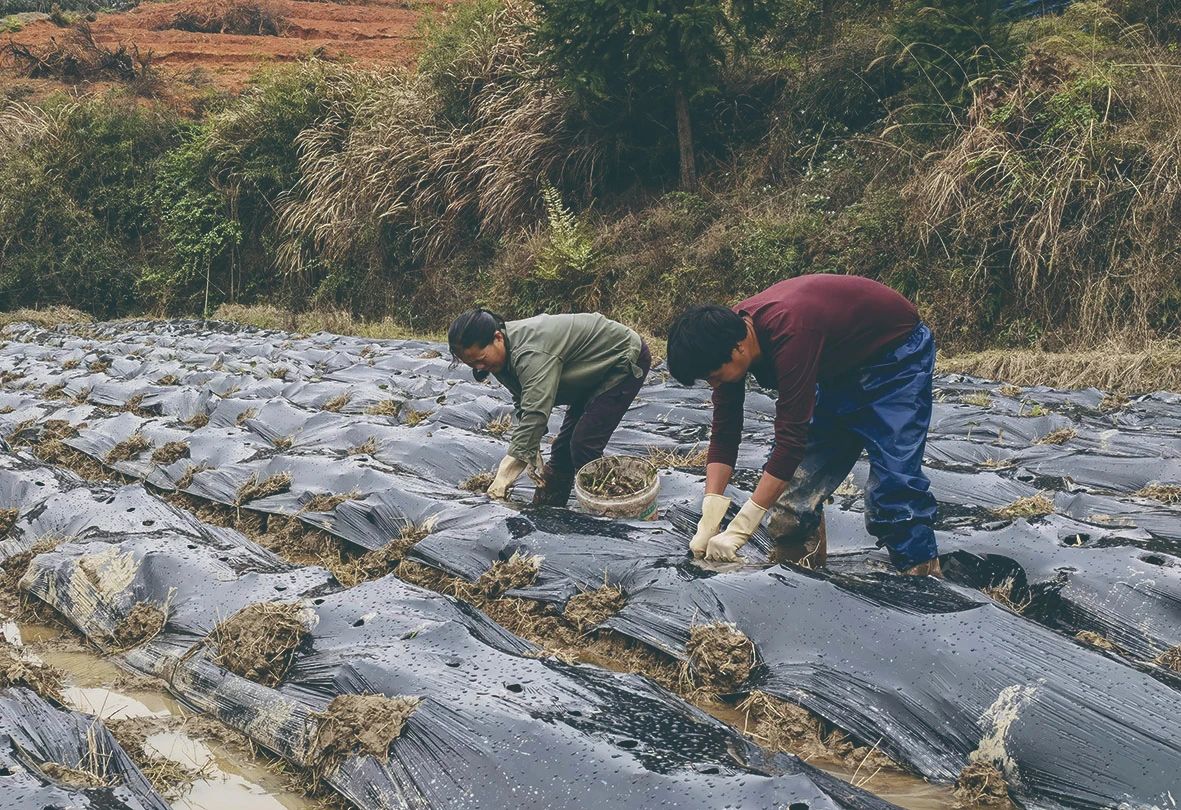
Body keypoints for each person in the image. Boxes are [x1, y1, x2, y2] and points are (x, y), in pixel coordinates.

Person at [666, 274, 941, 576]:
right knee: (792, 499)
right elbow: (724, 434)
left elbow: (790, 441)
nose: (714, 384)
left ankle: (923, 580)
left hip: (894, 359)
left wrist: (742, 527)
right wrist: (710, 514)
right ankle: (800, 578)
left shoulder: (790, 333)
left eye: (714, 376)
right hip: (837, 368)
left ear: (739, 349)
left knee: (894, 494)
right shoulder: (723, 338)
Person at [448, 308, 651, 505]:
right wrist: (530, 445)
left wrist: (506, 474)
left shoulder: (530, 353)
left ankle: (617, 508)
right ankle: (546, 512)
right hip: (589, 373)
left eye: (481, 360)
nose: (480, 368)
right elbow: (524, 399)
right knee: (562, 451)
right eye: (472, 364)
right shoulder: (500, 357)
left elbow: (536, 412)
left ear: (498, 338)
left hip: (621, 359)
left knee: (584, 445)